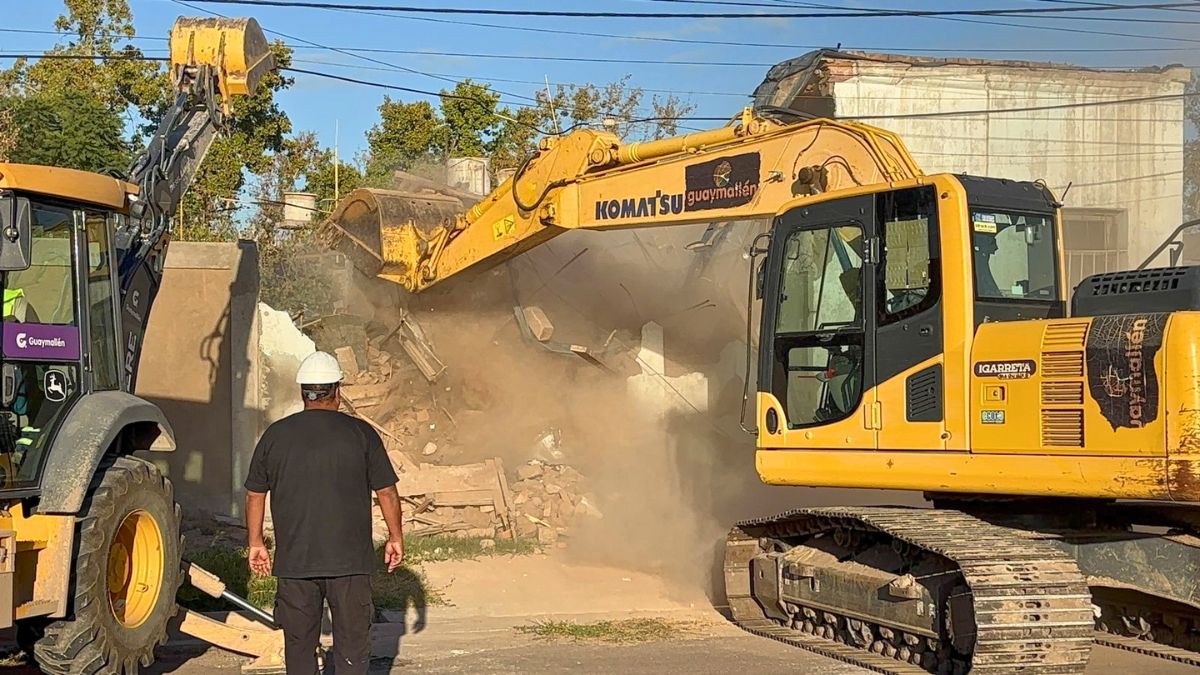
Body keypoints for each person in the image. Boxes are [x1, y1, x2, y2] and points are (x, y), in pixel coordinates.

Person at [244, 351, 406, 675]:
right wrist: (395, 537)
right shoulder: (362, 435)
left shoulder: (275, 436)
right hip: (349, 564)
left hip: (295, 564)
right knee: (352, 647)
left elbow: (254, 494)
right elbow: (386, 491)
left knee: (299, 647)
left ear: (303, 392)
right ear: (337, 391)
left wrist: (256, 542)